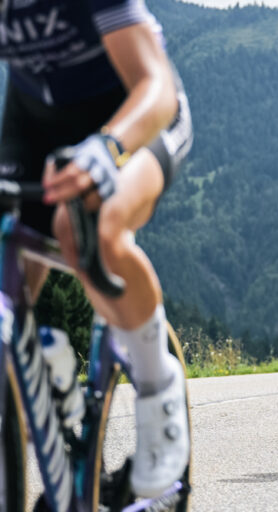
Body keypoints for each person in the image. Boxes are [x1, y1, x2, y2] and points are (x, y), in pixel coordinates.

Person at [0, 0, 192, 498]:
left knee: (89, 228)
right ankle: (47, 368)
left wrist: (107, 149)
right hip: (35, 123)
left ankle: (157, 386)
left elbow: (156, 85)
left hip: (136, 112)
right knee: (9, 263)